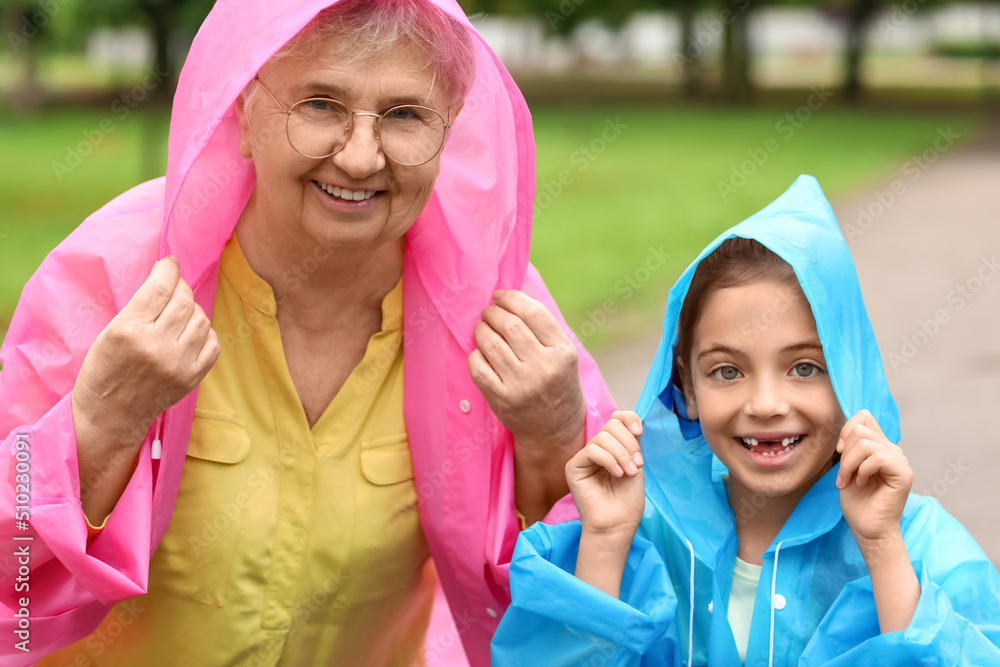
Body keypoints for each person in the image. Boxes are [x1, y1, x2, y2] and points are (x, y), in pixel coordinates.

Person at [0, 0, 617, 664]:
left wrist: (552, 442)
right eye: (320, 105)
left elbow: (577, 613)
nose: (359, 157)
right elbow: (15, 577)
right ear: (241, 111)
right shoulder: (114, 277)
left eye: (405, 115)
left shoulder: (499, 315)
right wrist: (98, 423)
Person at [492, 175, 1000, 665]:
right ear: (685, 389)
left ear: (852, 377)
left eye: (805, 367)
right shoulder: (642, 535)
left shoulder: (923, 545)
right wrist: (603, 539)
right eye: (727, 371)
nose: (765, 403)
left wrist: (882, 547)